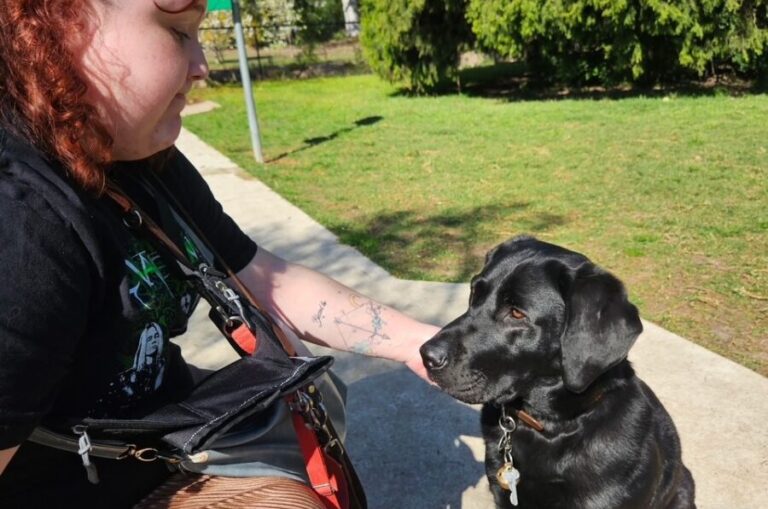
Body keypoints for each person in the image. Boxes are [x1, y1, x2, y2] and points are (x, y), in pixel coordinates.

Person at [0, 0, 438, 507]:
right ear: (56, 26)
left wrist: (419, 342)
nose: (203, 64)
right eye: (176, 31)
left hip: (173, 449)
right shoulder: (22, 222)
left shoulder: (134, 157)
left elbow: (259, 276)